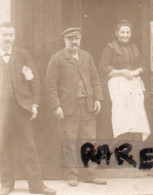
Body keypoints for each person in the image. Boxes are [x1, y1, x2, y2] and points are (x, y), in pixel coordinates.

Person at [44, 27, 106, 187]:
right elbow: (50, 85)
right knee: (70, 141)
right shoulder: (57, 58)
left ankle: (91, 174)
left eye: (77, 38)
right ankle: (72, 175)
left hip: (87, 107)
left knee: (90, 141)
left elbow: (95, 78)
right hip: (68, 109)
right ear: (65, 41)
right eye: (70, 39)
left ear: (80, 39)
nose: (74, 42)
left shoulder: (87, 56)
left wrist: (98, 98)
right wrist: (56, 106)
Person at [0, 22, 56, 195]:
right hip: (1, 109)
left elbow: (34, 80)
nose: (7, 38)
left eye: (10, 35)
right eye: (4, 35)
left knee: (28, 146)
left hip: (21, 107)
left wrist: (34, 104)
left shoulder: (22, 55)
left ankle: (36, 186)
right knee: (3, 145)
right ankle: (7, 184)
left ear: (14, 36)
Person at [98, 19, 150, 141]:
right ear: (117, 33)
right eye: (122, 32)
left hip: (132, 88)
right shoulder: (110, 48)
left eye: (128, 33)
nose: (125, 35)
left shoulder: (135, 48)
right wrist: (121, 72)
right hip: (115, 89)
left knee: (134, 117)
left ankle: (134, 147)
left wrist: (137, 71)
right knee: (118, 118)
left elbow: (143, 66)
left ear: (131, 34)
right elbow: (102, 69)